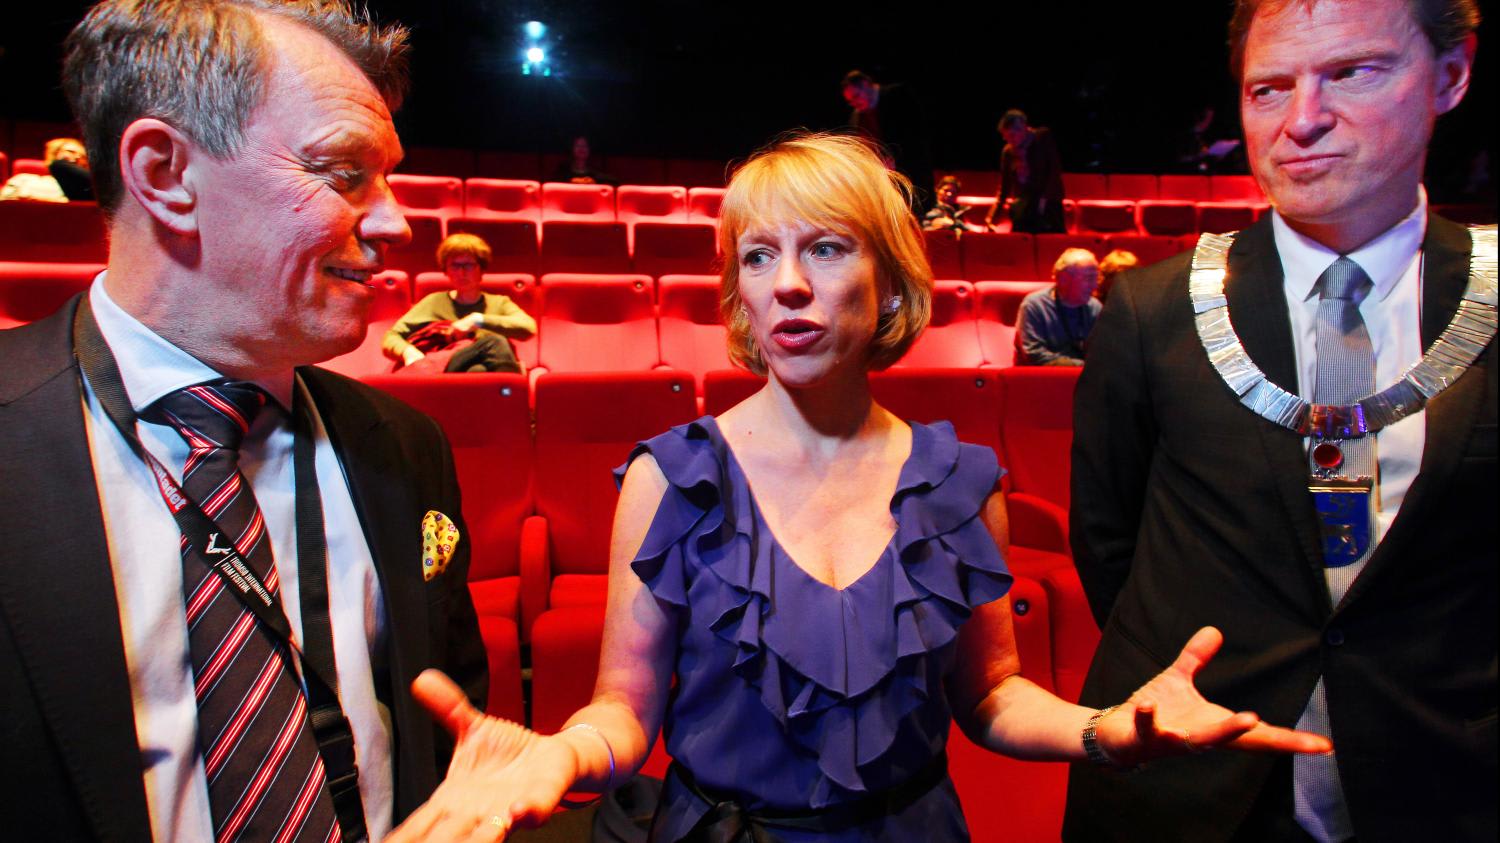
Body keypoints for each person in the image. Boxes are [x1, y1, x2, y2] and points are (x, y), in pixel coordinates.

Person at [386, 132, 1329, 843]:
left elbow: (992, 696)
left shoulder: (961, 483)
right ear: (740, 294)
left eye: (828, 248)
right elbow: (624, 712)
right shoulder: (669, 475)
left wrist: (1101, 728)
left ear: (891, 284)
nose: (789, 284)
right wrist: (563, 751)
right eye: (759, 255)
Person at [0, 1, 487, 840]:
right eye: (343, 172)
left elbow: (443, 714)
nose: (397, 223)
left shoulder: (407, 445)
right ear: (165, 174)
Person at [1068, 0, 1492, 840]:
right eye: (1269, 88)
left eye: (1351, 72)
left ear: (1450, 75)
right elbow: (1109, 545)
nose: (1302, 121)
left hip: (1449, 781)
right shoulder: (1151, 310)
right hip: (1191, 788)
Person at [383, 233, 535, 374]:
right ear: (446, 271)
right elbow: (392, 336)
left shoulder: (499, 303)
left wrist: (478, 320)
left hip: (477, 374)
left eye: (468, 265)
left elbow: (528, 327)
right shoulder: (434, 301)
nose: (461, 273)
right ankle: (512, 389)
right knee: (494, 342)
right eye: (454, 266)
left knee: (478, 370)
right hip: (443, 368)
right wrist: (408, 351)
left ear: (481, 269)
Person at [843, 69, 936, 209]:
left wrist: (893, 158)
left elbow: (914, 133)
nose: (854, 103)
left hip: (911, 174)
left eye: (856, 96)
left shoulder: (897, 95)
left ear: (866, 84)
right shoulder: (856, 116)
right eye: (850, 101)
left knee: (916, 210)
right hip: (882, 180)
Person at [1016, 248, 1102, 366]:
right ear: (1063, 279)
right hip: (1045, 375)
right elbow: (1034, 354)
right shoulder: (1034, 305)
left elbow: (1103, 350)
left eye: (1096, 279)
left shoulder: (1095, 307)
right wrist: (1080, 366)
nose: (1095, 285)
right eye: (1088, 279)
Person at [984, 110, 1066, 233]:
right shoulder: (1008, 151)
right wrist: (993, 216)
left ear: (1023, 129)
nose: (1008, 139)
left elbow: (1054, 170)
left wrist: (1044, 199)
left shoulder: (1042, 138)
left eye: (1012, 135)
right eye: (1006, 136)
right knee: (1021, 232)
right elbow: (1005, 187)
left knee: (1052, 236)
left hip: (1048, 201)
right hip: (1025, 203)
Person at [0, 136, 90, 202]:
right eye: (71, 152)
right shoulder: (24, 179)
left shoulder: (84, 187)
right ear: (54, 153)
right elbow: (5, 202)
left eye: (83, 156)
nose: (77, 157)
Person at [547, 135, 618, 186]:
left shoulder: (597, 174)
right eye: (578, 145)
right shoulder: (562, 173)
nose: (581, 148)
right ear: (572, 149)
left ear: (589, 150)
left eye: (585, 146)